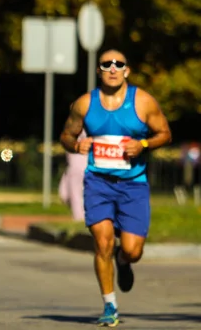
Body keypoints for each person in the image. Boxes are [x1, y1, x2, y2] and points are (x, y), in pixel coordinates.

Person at [59, 49, 172, 327]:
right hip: (98, 183)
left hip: (133, 185)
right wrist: (76, 145)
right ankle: (110, 305)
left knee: (133, 250)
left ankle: (124, 261)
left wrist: (143, 145)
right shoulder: (84, 104)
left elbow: (165, 134)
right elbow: (65, 136)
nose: (112, 68)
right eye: (106, 64)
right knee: (102, 242)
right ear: (99, 70)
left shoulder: (143, 102)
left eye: (118, 64)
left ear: (127, 70)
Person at [58, 129, 87, 221]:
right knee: (64, 194)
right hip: (72, 166)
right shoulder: (74, 124)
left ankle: (80, 218)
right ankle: (81, 216)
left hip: (84, 164)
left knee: (76, 194)